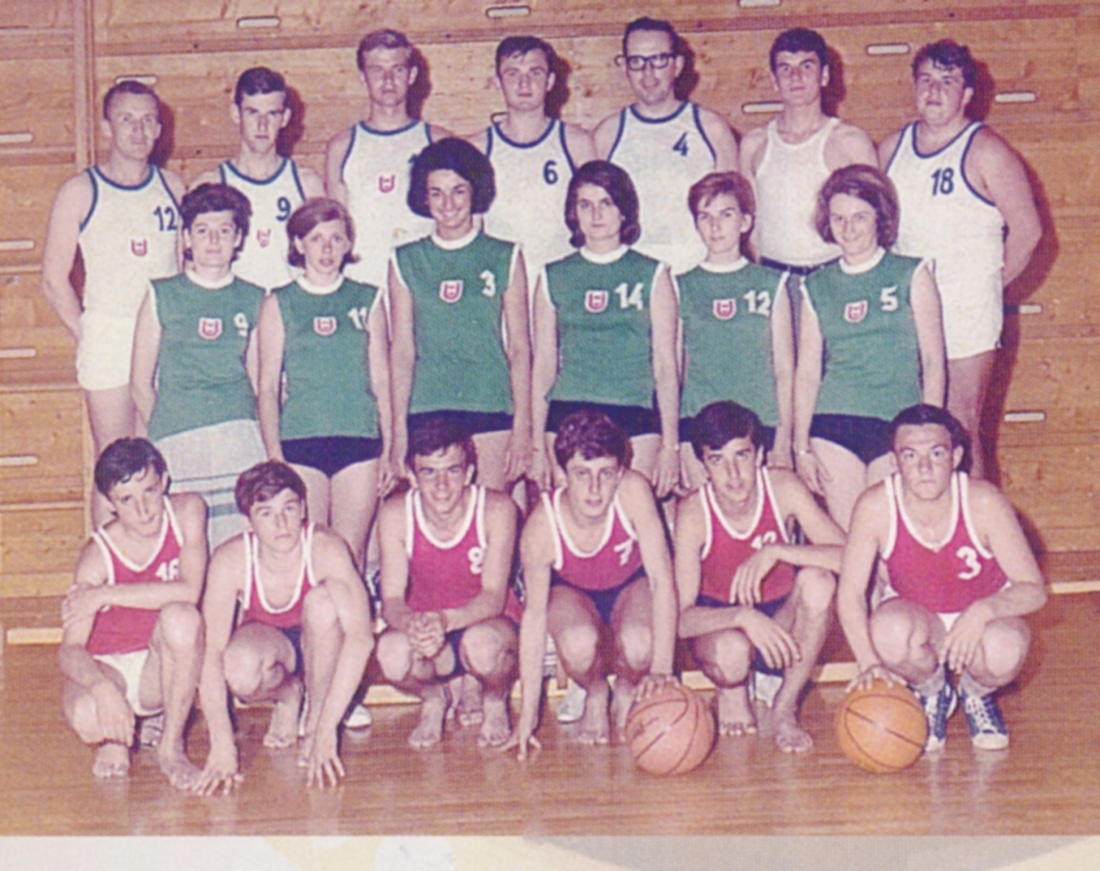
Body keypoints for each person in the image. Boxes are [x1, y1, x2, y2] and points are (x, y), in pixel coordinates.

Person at [837, 404, 1046, 751]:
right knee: (887, 633)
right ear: (894, 462)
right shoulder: (875, 506)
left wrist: (982, 612)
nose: (924, 468)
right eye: (910, 455)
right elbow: (850, 595)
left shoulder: (984, 501)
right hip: (921, 619)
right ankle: (935, 692)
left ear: (956, 456)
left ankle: (976, 694)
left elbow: (1034, 590)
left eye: (936, 453)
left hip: (983, 619)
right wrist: (869, 663)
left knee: (1005, 649)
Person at [882, 40, 1042, 479]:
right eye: (926, 81)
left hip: (965, 312)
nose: (934, 92)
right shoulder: (891, 149)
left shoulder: (987, 150)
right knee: (909, 432)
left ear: (967, 93)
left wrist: (985, 286)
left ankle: (972, 537)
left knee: (958, 426)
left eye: (947, 82)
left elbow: (1028, 233)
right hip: (908, 312)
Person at [40, 81, 184, 522]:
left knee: (158, 463)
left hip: (162, 338)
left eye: (147, 121)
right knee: (115, 465)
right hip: (110, 336)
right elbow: (52, 278)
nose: (138, 131)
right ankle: (101, 579)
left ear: (159, 128)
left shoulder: (174, 187)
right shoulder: (81, 191)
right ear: (107, 127)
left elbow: (181, 269)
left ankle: (152, 575)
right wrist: (91, 334)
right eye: (127, 119)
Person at [195, 461, 374, 793]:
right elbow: (211, 653)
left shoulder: (326, 547)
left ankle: (316, 715)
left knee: (323, 603)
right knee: (238, 667)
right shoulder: (230, 559)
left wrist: (327, 729)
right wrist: (221, 744)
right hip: (272, 644)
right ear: (247, 521)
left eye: (289, 508)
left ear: (303, 509)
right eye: (266, 513)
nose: (281, 523)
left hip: (322, 642)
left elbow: (360, 639)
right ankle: (289, 696)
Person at [674, 402, 843, 752]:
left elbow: (849, 556)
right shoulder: (693, 513)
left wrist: (778, 551)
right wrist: (742, 617)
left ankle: (784, 707)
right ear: (703, 465)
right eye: (718, 460)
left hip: (781, 615)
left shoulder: (783, 487)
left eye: (742, 456)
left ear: (761, 455)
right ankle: (732, 687)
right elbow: (681, 619)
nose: (733, 474)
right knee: (732, 652)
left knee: (819, 581)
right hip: (723, 622)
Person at [508, 410, 678, 758]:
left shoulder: (633, 491)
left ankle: (628, 687)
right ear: (562, 475)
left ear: (621, 471)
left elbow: (662, 582)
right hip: (572, 593)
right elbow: (535, 619)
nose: (595, 488)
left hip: (630, 586)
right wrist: (527, 716)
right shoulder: (541, 526)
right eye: (582, 474)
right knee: (577, 643)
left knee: (640, 643)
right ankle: (595, 690)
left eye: (605, 474)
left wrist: (662, 670)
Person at [793, 165, 946, 530]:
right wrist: (801, 446)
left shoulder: (911, 273)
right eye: (839, 218)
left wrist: (927, 433)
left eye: (859, 217)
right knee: (850, 541)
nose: (849, 228)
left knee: (889, 532)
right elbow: (808, 371)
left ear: (880, 218)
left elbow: (933, 361)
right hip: (834, 422)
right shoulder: (816, 285)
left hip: (896, 421)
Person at [59, 438, 207, 788]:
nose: (143, 510)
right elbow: (69, 650)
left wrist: (105, 594)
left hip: (158, 664)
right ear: (110, 504)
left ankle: (170, 745)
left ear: (165, 483)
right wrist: (102, 688)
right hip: (110, 666)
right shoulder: (96, 556)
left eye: (150, 492)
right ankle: (115, 738)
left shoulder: (187, 512)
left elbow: (190, 590)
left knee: (183, 618)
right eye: (127, 500)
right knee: (87, 716)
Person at [257, 197, 393, 573]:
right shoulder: (279, 302)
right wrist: (274, 453)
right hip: (301, 441)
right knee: (311, 552)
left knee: (351, 554)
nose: (327, 249)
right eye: (316, 239)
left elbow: (381, 379)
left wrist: (391, 446)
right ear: (299, 245)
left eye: (336, 239)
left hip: (359, 440)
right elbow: (267, 387)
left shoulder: (368, 298)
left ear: (348, 243)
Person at [389, 137, 532, 492]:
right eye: (436, 193)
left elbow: (519, 348)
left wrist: (523, 426)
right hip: (428, 406)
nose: (448, 204)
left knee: (495, 517)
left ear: (474, 191)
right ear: (424, 197)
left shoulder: (505, 255)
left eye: (458, 191)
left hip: (489, 403)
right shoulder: (405, 259)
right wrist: (397, 432)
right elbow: (403, 352)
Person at [530, 160, 680, 498]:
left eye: (606, 203)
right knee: (573, 519)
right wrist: (538, 445)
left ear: (624, 210)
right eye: (585, 204)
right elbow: (543, 367)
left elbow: (666, 366)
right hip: (568, 410)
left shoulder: (652, 273)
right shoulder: (553, 275)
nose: (596, 214)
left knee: (631, 518)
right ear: (574, 213)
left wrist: (671, 446)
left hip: (633, 410)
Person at [130, 183, 266, 547]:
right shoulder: (162, 294)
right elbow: (140, 383)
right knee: (189, 544)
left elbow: (258, 382)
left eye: (224, 231)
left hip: (238, 436)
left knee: (240, 543)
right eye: (203, 231)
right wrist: (167, 429)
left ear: (238, 238)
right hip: (178, 437)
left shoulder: (254, 298)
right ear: (187, 237)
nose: (214, 241)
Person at [375, 416, 522, 749]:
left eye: (452, 471)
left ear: (469, 473)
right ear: (412, 477)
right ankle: (433, 698)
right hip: (430, 628)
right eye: (429, 472)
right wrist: (413, 624)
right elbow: (393, 600)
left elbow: (494, 597)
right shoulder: (396, 514)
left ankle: (494, 698)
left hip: (489, 624)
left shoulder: (497, 509)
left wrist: (445, 621)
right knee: (390, 654)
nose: (442, 486)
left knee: (482, 648)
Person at [594, 17, 739, 275]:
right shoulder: (607, 134)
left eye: (659, 60)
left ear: (677, 65)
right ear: (624, 67)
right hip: (632, 279)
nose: (648, 73)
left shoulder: (710, 128)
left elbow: (735, 214)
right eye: (637, 62)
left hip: (697, 277)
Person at [677, 171, 793, 486]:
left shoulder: (771, 283)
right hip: (701, 428)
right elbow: (674, 372)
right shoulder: (680, 286)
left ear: (744, 222)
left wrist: (784, 439)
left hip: (760, 424)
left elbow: (784, 369)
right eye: (705, 217)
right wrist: (677, 442)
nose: (715, 227)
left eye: (725, 215)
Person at [741, 28, 877, 276]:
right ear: (774, 80)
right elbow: (750, 227)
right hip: (774, 276)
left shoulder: (850, 142)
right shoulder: (754, 144)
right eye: (785, 68)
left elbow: (876, 219)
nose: (795, 77)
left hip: (835, 275)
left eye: (806, 66)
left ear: (824, 75)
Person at [326, 29, 450, 288]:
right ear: (363, 77)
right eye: (377, 71)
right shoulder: (342, 147)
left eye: (397, 69)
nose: (388, 80)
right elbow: (335, 230)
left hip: (425, 283)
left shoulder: (437, 142)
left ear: (412, 75)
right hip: (363, 283)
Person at [468, 35, 597, 280]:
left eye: (535, 73)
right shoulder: (477, 148)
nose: (524, 83)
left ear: (549, 81)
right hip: (501, 284)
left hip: (564, 283)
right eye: (513, 73)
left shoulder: (576, 143)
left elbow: (597, 224)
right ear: (497, 82)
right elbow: (470, 232)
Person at [191, 67, 325, 291]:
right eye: (253, 113)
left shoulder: (306, 185)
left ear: (285, 118)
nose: (262, 125)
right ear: (236, 114)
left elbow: (323, 262)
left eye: (272, 114)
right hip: (232, 313)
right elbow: (191, 267)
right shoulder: (210, 185)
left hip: (289, 315)